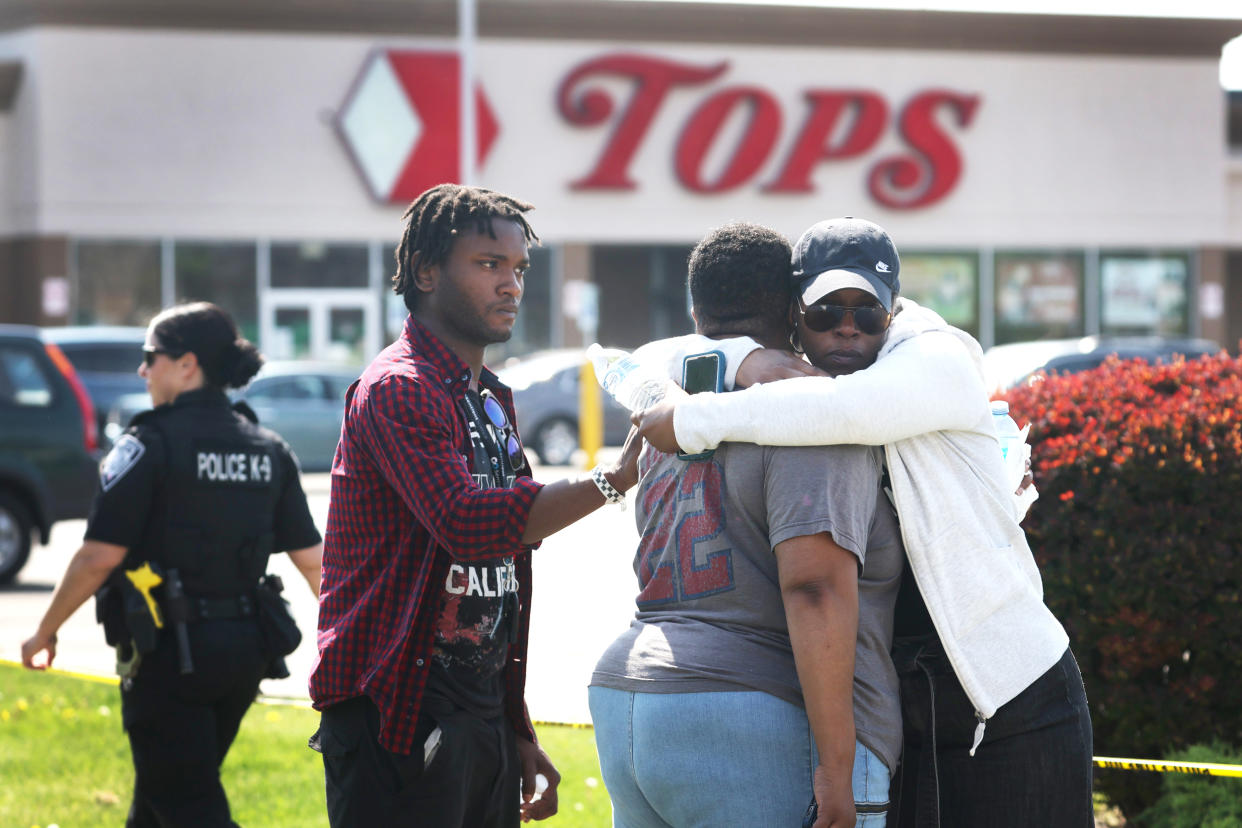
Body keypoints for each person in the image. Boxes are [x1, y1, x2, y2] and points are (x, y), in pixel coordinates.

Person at [633, 217, 1094, 827]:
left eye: (867, 311)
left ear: (894, 311)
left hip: (1013, 698)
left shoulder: (935, 355)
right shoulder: (791, 382)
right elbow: (632, 367)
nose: (847, 326)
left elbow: (849, 412)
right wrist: (741, 356)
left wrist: (694, 418)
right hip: (897, 707)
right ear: (794, 313)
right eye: (826, 310)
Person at [307, 184, 640, 828]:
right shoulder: (399, 388)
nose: (511, 285)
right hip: (396, 712)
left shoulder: (487, 396)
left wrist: (512, 728)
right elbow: (468, 524)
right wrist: (613, 479)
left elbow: (503, 578)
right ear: (427, 272)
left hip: (476, 710)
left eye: (518, 269)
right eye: (489, 265)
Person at [589, 222, 902, 828]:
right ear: (792, 309)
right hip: (743, 708)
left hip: (628, 688)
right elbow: (814, 588)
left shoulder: (665, 405)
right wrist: (837, 771)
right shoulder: (809, 409)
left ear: (693, 312)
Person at [21, 301, 324, 828]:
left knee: (187, 804)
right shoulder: (268, 448)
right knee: (163, 797)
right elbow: (316, 564)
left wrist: (45, 630)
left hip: (169, 656)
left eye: (150, 356)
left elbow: (99, 556)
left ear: (186, 364)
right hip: (244, 654)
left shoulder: (148, 443)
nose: (142, 369)